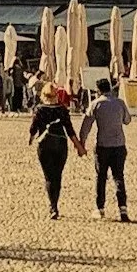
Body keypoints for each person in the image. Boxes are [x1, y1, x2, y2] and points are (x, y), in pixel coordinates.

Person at [78, 77, 132, 221]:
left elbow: (86, 125)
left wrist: (81, 143)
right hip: (119, 144)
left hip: (103, 145)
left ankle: (100, 209)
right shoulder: (120, 103)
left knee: (101, 177)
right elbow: (127, 120)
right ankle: (123, 209)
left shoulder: (96, 104)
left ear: (98, 90)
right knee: (118, 177)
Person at [27, 84, 84, 219]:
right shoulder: (62, 110)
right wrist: (79, 147)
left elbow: (33, 129)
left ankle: (53, 206)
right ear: (56, 95)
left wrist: (30, 139)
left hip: (44, 145)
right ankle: (55, 204)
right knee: (57, 176)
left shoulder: (40, 110)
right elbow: (70, 131)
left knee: (49, 177)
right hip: (60, 145)